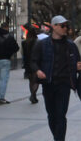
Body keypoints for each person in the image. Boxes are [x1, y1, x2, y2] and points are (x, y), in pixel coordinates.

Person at [30, 13, 81, 141]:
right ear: (54, 26)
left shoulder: (70, 45)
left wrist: (78, 66)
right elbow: (33, 61)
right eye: (62, 26)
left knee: (61, 115)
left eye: (66, 26)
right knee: (52, 115)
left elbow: (77, 62)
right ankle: (57, 137)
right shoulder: (42, 44)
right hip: (49, 84)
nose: (65, 28)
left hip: (64, 84)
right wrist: (38, 71)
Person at [22, 24, 41, 104]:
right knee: (36, 80)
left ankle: (33, 95)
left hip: (27, 63)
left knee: (31, 81)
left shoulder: (24, 42)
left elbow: (23, 53)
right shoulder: (38, 42)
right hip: (36, 62)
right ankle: (33, 95)